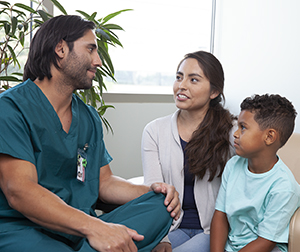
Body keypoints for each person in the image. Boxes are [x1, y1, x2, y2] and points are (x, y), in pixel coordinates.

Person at [0, 15, 181, 252]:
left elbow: (103, 182)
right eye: (91, 49)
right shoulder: (11, 108)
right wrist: (93, 227)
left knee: (161, 205)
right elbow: (20, 191)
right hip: (25, 228)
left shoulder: (88, 117)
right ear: (61, 49)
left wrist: (154, 192)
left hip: (81, 229)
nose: (98, 61)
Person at [142, 51, 236, 252]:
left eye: (193, 79)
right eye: (179, 77)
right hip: (169, 228)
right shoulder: (154, 131)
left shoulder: (232, 132)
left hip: (213, 231)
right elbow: (153, 190)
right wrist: (162, 238)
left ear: (214, 92)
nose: (181, 85)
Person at [210, 94, 300, 252]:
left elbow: (266, 241)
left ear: (269, 136)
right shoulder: (233, 165)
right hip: (231, 244)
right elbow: (220, 215)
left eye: (243, 127)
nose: (235, 134)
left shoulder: (284, 187)